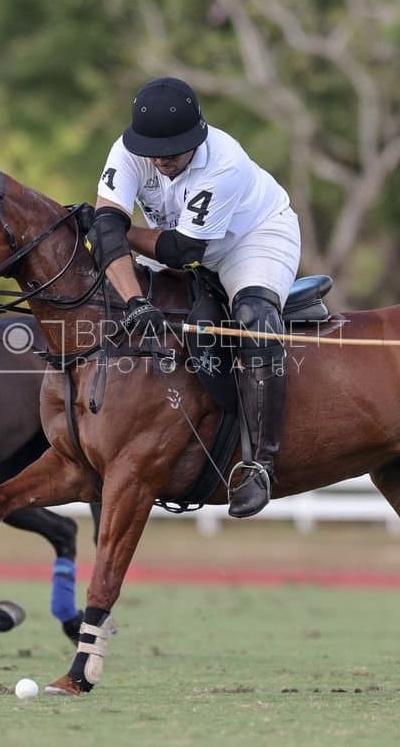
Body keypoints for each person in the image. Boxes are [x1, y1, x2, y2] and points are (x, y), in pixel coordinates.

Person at [89, 77, 302, 518]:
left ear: (197, 137)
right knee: (101, 302)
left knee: (253, 318)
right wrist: (135, 303)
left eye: (174, 152)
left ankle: (260, 463)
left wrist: (116, 229)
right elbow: (105, 232)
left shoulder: (225, 164)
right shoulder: (128, 152)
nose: (162, 161)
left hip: (252, 238)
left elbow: (183, 250)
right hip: (169, 242)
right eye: (154, 152)